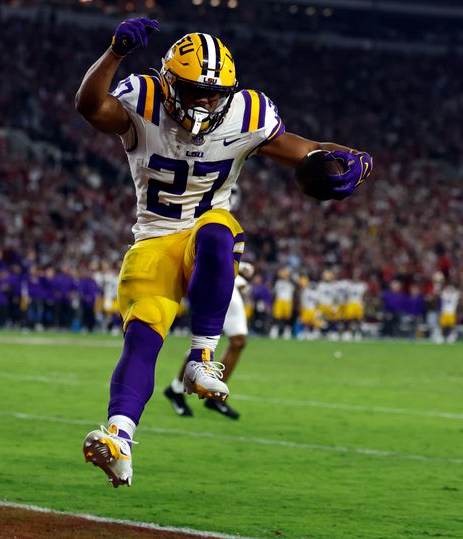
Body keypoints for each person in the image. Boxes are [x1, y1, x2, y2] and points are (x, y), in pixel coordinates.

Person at [76, 19, 372, 487]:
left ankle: (200, 357)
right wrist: (114, 53)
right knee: (143, 337)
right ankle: (119, 439)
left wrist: (354, 157)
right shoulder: (144, 99)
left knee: (217, 226)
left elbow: (307, 150)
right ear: (169, 82)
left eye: (214, 93)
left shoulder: (246, 114)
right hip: (153, 240)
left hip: (205, 240)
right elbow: (90, 105)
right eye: (194, 90)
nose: (205, 101)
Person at [164, 261, 254, 419]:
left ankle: (213, 396)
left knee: (238, 341)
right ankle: (177, 389)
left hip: (226, 275)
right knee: (205, 341)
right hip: (209, 275)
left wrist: (238, 268)